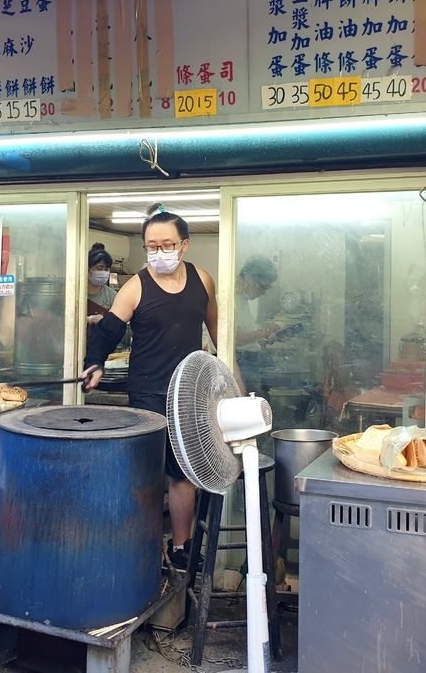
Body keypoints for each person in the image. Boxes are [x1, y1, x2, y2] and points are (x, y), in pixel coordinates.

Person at [81, 204, 218, 571]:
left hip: (190, 391)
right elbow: (107, 333)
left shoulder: (202, 280)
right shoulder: (135, 286)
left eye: (167, 244)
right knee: (146, 473)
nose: (159, 253)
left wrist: (231, 380)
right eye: (151, 246)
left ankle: (180, 546)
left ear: (184, 244)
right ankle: (140, 544)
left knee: (183, 473)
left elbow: (220, 333)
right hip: (147, 390)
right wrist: (92, 364)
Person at [234, 255, 282, 395]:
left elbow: (251, 339)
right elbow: (231, 340)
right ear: (250, 279)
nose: (263, 293)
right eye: (263, 287)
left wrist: (270, 336)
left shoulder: (245, 301)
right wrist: (261, 332)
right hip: (239, 361)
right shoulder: (228, 301)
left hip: (250, 361)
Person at [86, 242, 116, 326]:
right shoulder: (75, 294)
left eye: (106, 269)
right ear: (88, 269)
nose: (103, 272)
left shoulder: (111, 295)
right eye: (99, 268)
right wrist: (89, 319)